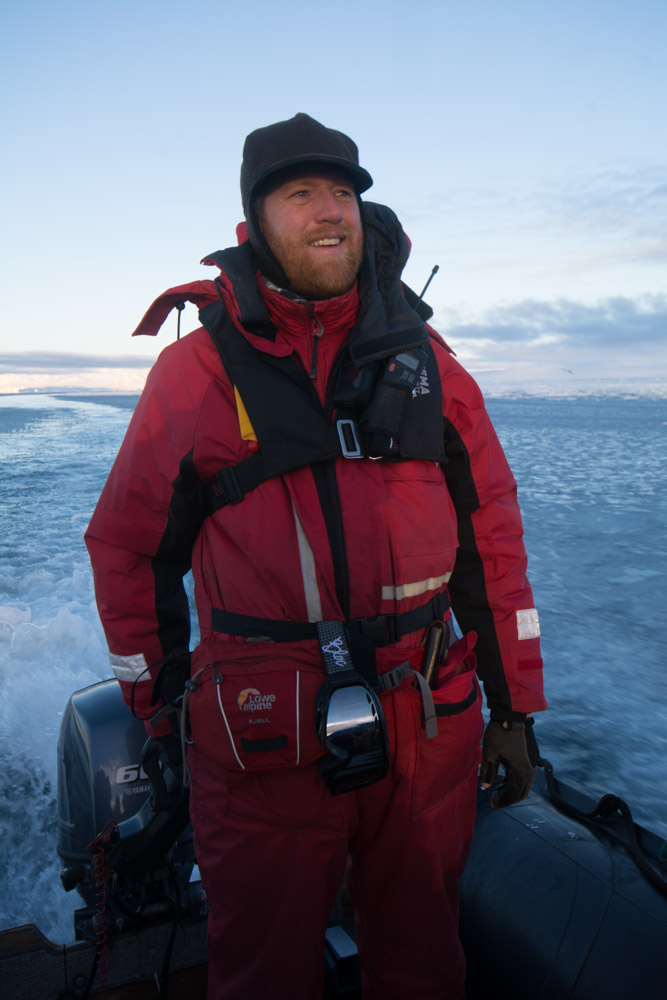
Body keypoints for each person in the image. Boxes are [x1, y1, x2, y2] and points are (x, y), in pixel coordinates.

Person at [85, 112, 546, 1000]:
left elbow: (493, 536)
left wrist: (515, 706)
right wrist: (159, 709)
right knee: (263, 975)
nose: (327, 211)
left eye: (341, 191)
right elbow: (127, 548)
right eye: (300, 194)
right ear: (254, 221)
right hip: (261, 738)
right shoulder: (196, 375)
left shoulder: (428, 364)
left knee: (422, 965)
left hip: (428, 723)